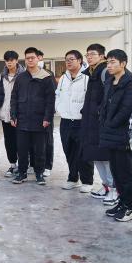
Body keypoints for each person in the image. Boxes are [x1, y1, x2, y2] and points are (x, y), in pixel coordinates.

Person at [99, 50, 132, 222]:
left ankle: (131, 207)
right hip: (109, 132)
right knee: (115, 171)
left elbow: (126, 109)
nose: (109, 65)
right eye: (108, 62)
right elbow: (104, 105)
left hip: (122, 133)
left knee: (125, 172)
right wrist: (103, 121)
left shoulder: (131, 82)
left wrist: (111, 123)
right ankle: (122, 203)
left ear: (123, 63)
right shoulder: (109, 81)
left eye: (113, 62)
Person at [11, 47, 56, 186]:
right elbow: (14, 97)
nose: (30, 60)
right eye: (27, 58)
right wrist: (13, 115)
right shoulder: (20, 77)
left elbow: (50, 100)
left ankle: (39, 173)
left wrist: (47, 118)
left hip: (39, 120)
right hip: (22, 120)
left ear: (38, 58)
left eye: (32, 58)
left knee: (39, 150)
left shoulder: (46, 77)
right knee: (22, 149)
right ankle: (22, 173)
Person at [80, 44, 115, 203]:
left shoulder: (105, 72)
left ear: (102, 56)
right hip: (91, 122)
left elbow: (110, 97)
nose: (89, 57)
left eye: (92, 54)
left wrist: (101, 114)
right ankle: (106, 186)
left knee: (105, 157)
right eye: (87, 54)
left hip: (101, 123)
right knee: (96, 156)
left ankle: (114, 189)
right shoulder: (92, 72)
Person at [56, 50, 93, 191]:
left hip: (81, 121)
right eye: (66, 60)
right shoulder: (63, 78)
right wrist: (59, 108)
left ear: (80, 61)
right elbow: (58, 95)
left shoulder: (87, 77)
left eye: (71, 59)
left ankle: (87, 181)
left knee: (83, 152)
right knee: (69, 151)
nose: (68, 62)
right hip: (65, 120)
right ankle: (72, 178)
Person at [0, 50, 24, 177]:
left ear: (16, 61)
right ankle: (13, 165)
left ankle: (23, 165)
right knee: (9, 141)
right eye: (7, 60)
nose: (9, 63)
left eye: (12, 60)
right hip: (5, 114)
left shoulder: (24, 75)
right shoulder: (2, 76)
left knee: (21, 141)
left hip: (19, 115)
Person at [34, 49, 54, 176]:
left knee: (47, 141)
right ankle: (34, 165)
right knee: (35, 142)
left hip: (46, 114)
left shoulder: (48, 74)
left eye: (39, 57)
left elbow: (52, 96)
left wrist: (48, 114)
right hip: (33, 114)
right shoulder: (27, 74)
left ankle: (48, 166)